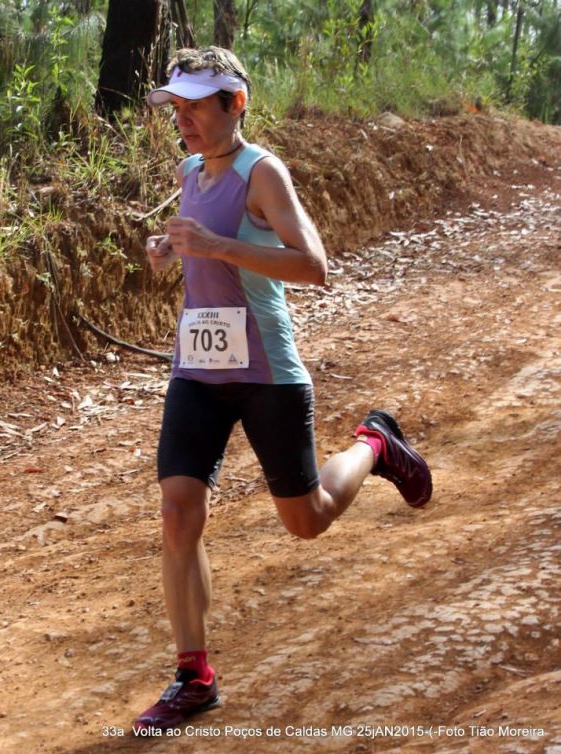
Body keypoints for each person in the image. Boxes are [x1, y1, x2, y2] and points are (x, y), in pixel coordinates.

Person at [134, 46, 432, 733]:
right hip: (198, 373)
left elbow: (313, 266)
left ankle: (373, 445)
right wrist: (170, 249)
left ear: (234, 104)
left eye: (196, 108)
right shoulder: (187, 170)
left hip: (267, 372)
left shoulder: (262, 172)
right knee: (178, 514)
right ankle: (193, 675)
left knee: (307, 519)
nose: (183, 122)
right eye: (175, 110)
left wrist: (215, 245)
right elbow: (202, 248)